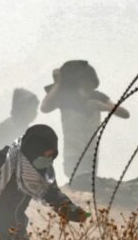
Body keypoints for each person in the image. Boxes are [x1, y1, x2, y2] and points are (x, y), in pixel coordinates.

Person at [40, 60, 130, 191]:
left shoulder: (98, 96)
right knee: (79, 181)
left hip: (91, 151)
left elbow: (125, 114)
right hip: (73, 151)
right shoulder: (66, 97)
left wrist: (105, 107)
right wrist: (57, 84)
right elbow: (45, 107)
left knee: (89, 184)